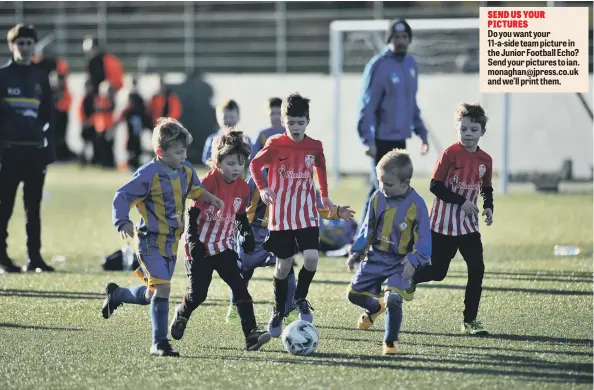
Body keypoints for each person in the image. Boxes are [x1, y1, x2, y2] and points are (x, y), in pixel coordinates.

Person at [102, 117, 224, 357]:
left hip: (171, 243)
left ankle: (117, 294)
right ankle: (159, 343)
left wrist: (212, 198)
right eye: (178, 152)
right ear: (160, 152)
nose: (183, 156)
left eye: (185, 151)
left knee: (152, 294)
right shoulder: (149, 174)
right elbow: (122, 196)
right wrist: (122, 221)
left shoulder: (186, 170)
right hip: (149, 241)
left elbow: (195, 190)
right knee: (164, 288)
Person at [169, 130, 272, 352]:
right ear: (217, 162)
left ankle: (251, 336)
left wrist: (245, 233)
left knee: (240, 288)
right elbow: (193, 213)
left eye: (241, 163)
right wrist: (194, 241)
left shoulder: (243, 187)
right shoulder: (208, 182)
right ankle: (183, 312)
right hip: (201, 249)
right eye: (231, 162)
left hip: (225, 247)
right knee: (199, 294)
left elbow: (240, 214)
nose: (237, 168)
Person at [249, 92, 335, 337]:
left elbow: (321, 165)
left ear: (308, 121)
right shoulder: (276, 144)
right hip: (281, 215)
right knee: (283, 265)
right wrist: (264, 188)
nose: (295, 127)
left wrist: (325, 194)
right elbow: (255, 164)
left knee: (311, 259)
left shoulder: (314, 145)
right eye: (291, 123)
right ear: (284, 121)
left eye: (300, 122)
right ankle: (278, 309)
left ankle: (300, 299)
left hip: (306, 212)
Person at [406, 103, 494, 336]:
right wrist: (461, 202)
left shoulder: (486, 160)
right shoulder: (449, 154)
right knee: (438, 273)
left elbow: (486, 188)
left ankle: (470, 321)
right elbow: (435, 186)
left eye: (473, 130)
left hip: (469, 228)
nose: (467, 134)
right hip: (442, 226)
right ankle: (412, 276)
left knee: (477, 269)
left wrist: (488, 207)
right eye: (463, 129)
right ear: (457, 129)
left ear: (481, 132)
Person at [225, 177, 355, 325]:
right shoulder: (256, 177)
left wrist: (336, 211)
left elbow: (313, 203)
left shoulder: (297, 175)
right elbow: (238, 205)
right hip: (253, 233)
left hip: (280, 229)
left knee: (286, 269)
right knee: (243, 271)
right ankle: (236, 305)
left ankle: (289, 309)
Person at [347, 149, 431, 355]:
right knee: (353, 295)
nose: (383, 188)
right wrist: (357, 251)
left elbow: (424, 238)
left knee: (393, 299)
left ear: (406, 183)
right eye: (380, 182)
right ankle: (375, 308)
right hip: (376, 256)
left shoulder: (417, 204)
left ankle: (390, 341)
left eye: (389, 184)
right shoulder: (377, 197)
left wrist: (413, 261)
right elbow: (369, 227)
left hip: (401, 261)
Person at [357, 19, 430, 232]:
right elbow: (367, 105)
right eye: (396, 37)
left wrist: (422, 133)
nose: (400, 41)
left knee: (398, 189)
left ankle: (391, 237)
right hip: (380, 140)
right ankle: (362, 240)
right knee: (379, 190)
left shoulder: (410, 65)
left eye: (404, 37)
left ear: (409, 39)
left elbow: (411, 104)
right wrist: (367, 140)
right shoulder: (378, 65)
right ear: (390, 39)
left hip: (400, 140)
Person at [0, 24, 56, 273]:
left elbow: (47, 116)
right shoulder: (2, 76)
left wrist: (48, 149)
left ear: (34, 46)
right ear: (12, 46)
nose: (25, 48)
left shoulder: (40, 76)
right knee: (4, 206)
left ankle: (34, 258)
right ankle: (2, 257)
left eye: (29, 43)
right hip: (9, 151)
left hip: (34, 152)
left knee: (33, 208)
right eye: (20, 43)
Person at [34, 46, 74, 161]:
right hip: (48, 107)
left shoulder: (58, 66)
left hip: (59, 107)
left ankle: (59, 155)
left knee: (59, 134)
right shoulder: (38, 66)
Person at [117, 78, 152, 171]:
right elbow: (125, 110)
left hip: (137, 125)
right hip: (130, 126)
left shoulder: (138, 97)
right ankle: (131, 163)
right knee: (130, 144)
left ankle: (135, 163)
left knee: (137, 144)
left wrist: (148, 124)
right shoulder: (127, 96)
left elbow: (144, 111)